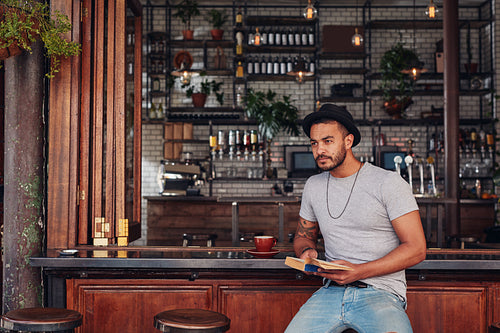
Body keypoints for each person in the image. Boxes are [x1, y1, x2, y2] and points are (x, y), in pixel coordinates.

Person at [285, 104, 427, 333]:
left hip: (381, 293)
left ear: (348, 141)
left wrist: (360, 271)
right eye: (314, 143)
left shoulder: (388, 183)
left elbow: (417, 248)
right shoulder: (313, 186)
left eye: (328, 141)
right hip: (330, 291)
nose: (319, 150)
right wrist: (306, 252)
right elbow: (304, 236)